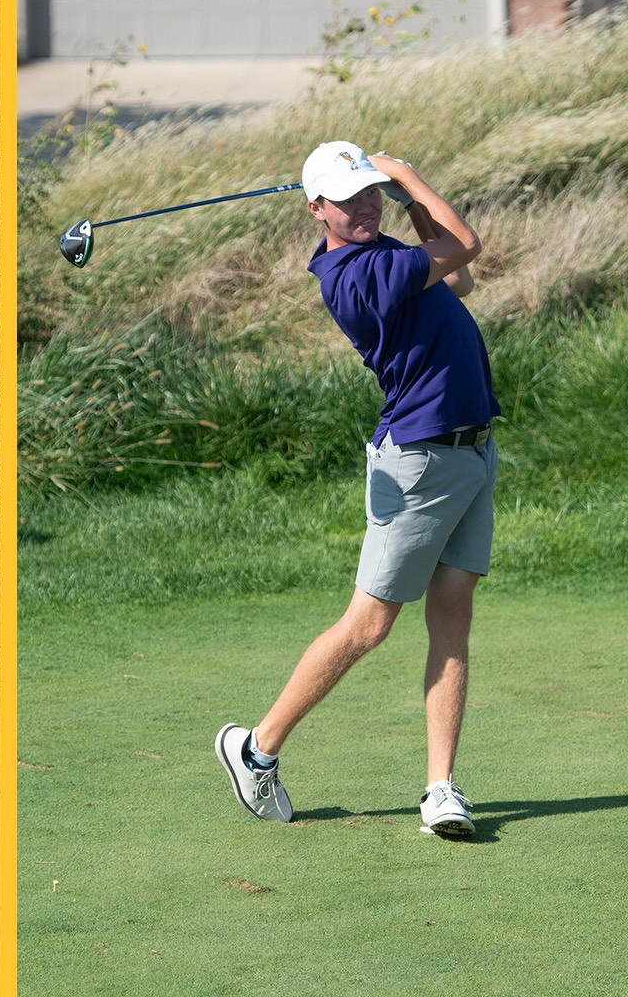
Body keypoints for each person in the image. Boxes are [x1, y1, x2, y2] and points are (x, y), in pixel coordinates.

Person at [217, 140, 493, 838]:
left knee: (453, 613)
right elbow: (467, 244)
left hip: (470, 451)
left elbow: (457, 278)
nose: (366, 205)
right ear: (317, 211)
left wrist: (403, 203)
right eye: (349, 198)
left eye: (370, 192)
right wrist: (407, 177)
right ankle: (256, 748)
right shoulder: (358, 273)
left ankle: (440, 788)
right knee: (368, 625)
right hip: (419, 463)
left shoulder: (387, 255)